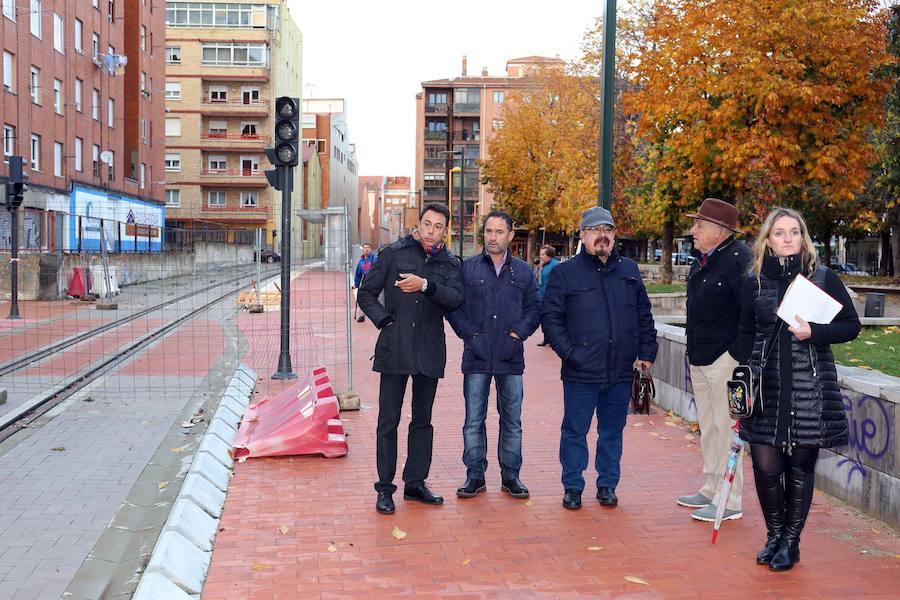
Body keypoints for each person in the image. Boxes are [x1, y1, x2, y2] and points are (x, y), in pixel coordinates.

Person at [737, 206, 860, 571]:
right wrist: (746, 375)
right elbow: (744, 332)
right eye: (779, 232)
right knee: (765, 465)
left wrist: (815, 332)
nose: (788, 238)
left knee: (801, 467)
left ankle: (791, 542)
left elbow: (851, 326)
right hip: (766, 388)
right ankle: (774, 534)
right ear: (768, 240)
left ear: (803, 238)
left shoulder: (822, 278)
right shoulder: (754, 280)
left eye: (794, 232)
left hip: (811, 387)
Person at [541, 206, 658, 510]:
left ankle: (607, 484)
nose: (602, 235)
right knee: (575, 431)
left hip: (620, 371)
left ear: (614, 235)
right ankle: (573, 486)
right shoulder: (565, 273)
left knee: (612, 432)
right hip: (581, 371)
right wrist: (570, 353)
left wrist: (646, 353)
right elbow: (551, 319)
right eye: (595, 230)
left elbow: (644, 315)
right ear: (583, 235)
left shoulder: (629, 271)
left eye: (607, 229)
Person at [357, 203, 464, 515]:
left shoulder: (450, 263)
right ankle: (385, 489)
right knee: (387, 420)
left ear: (447, 230)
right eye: (426, 224)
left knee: (422, 421)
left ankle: (415, 482)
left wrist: (427, 286)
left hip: (429, 350)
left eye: (438, 226)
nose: (431, 232)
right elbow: (366, 293)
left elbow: (455, 299)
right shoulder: (394, 253)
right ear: (418, 224)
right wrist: (385, 322)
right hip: (395, 347)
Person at [447, 210, 541, 499]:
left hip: (510, 358)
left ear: (510, 236)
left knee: (512, 421)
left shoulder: (524, 272)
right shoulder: (468, 269)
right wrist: (470, 335)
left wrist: (516, 335)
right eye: (488, 231)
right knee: (473, 420)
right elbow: (455, 308)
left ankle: (511, 476)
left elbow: (535, 308)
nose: (492, 237)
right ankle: (475, 475)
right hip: (475, 357)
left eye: (499, 232)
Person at [677, 198, 752, 522]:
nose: (693, 230)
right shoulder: (702, 261)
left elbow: (751, 316)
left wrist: (734, 356)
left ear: (719, 231)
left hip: (725, 362)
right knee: (708, 427)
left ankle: (730, 499)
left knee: (727, 429)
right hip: (701, 358)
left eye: (699, 225)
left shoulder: (741, 261)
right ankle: (711, 487)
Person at [536, 245, 559, 346]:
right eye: (540, 254)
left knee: (551, 319)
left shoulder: (555, 265)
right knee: (544, 318)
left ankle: (553, 339)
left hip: (551, 297)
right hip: (541, 295)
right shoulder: (542, 265)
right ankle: (547, 338)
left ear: (549, 255)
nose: (540, 256)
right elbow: (537, 278)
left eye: (542, 254)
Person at [353, 243, 377, 322]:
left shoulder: (374, 258)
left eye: (368, 247)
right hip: (366, 281)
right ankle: (362, 315)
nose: (366, 249)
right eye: (365, 248)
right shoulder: (360, 261)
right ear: (362, 250)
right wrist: (356, 285)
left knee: (378, 298)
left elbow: (376, 268)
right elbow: (358, 275)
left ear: (371, 249)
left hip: (375, 280)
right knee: (363, 298)